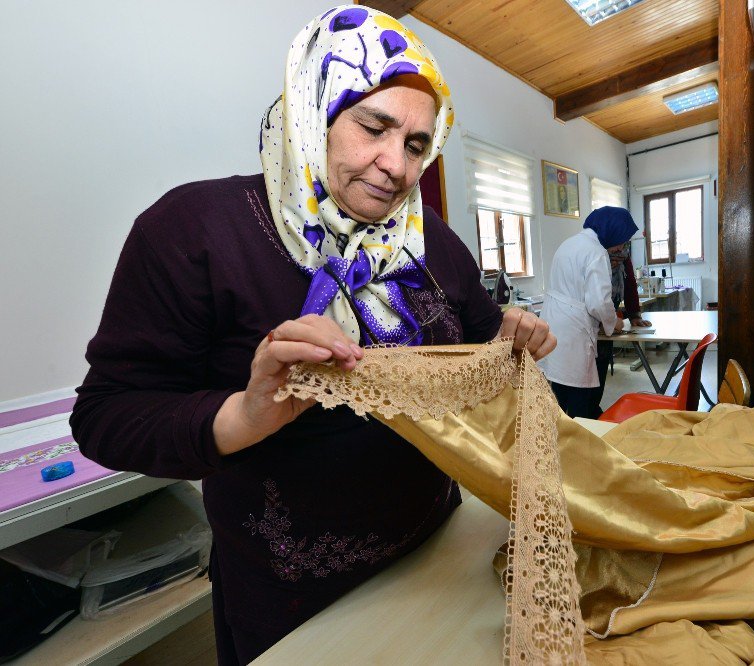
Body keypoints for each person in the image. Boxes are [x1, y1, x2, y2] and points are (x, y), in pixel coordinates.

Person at [68, 7, 554, 664]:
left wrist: (510, 336)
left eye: (415, 145)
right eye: (373, 127)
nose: (395, 166)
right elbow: (107, 416)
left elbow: (475, 340)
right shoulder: (193, 232)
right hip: (295, 600)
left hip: (439, 547)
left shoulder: (428, 241)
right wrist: (244, 414)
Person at [537, 206, 637, 418]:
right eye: (623, 240)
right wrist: (615, 323)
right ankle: (580, 443)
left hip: (553, 326)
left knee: (560, 393)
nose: (621, 247)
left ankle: (558, 441)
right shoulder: (596, 252)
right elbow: (599, 303)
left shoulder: (569, 243)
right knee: (580, 398)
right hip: (574, 332)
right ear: (613, 232)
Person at [595, 239, 651, 410]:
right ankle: (586, 413)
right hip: (590, 319)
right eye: (618, 243)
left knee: (602, 362)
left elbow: (630, 283)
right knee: (588, 374)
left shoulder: (623, 256)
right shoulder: (595, 254)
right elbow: (595, 293)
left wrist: (634, 314)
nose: (621, 248)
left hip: (608, 314)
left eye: (624, 244)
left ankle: (593, 409)